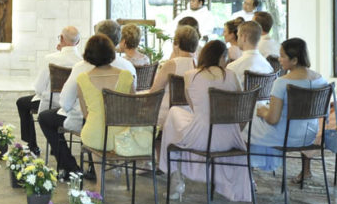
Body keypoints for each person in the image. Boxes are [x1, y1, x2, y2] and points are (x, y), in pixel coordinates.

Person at [159, 40, 250, 202]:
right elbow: (239, 108)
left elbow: (195, 109)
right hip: (231, 139)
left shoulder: (190, 75)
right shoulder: (231, 75)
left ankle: (176, 180)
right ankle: (178, 178)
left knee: (174, 115)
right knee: (179, 120)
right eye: (226, 58)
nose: (227, 62)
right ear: (221, 57)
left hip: (202, 139)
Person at [248, 38, 326, 174]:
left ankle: (248, 175)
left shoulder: (282, 82)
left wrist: (263, 112)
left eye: (283, 56)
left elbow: (273, 119)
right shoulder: (321, 79)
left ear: (294, 60)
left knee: (245, 125)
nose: (279, 59)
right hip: (310, 135)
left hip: (285, 136)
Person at [77, 34, 137, 189]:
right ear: (111, 52)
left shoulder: (83, 78)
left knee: (94, 131)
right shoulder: (126, 76)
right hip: (122, 136)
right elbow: (132, 107)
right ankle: (115, 165)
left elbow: (86, 114)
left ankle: (99, 181)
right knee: (106, 133)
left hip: (95, 136)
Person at [16, 26, 81, 154]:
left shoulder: (50, 59)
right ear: (78, 42)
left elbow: (39, 88)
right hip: (73, 106)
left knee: (22, 103)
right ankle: (54, 143)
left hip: (50, 104)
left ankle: (32, 144)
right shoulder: (82, 62)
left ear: (61, 39)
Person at [149, 25, 200, 126]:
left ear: (177, 43)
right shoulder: (198, 65)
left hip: (168, 114)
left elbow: (154, 92)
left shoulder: (171, 64)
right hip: (190, 114)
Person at [225, 20, 273, 87]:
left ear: (244, 37)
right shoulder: (269, 67)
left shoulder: (233, 68)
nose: (237, 39)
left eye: (238, 36)